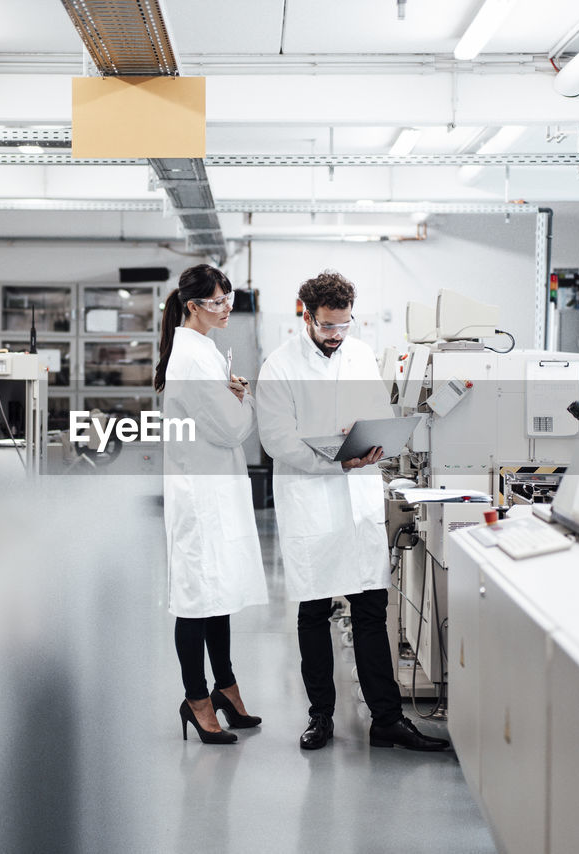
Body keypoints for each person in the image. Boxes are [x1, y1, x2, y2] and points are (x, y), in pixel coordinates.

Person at [257, 270, 449, 753]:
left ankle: (386, 719)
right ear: (306, 314)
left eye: (344, 325)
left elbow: (376, 416)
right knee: (315, 610)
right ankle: (320, 716)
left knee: (370, 609)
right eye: (327, 326)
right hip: (311, 500)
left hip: (359, 495)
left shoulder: (361, 354)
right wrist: (336, 457)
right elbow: (276, 440)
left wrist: (377, 442)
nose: (336, 335)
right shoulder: (279, 367)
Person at [156, 264, 268, 745]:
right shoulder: (192, 358)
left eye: (230, 299)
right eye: (218, 302)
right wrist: (245, 402)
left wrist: (234, 396)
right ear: (192, 306)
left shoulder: (205, 350)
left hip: (213, 488)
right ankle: (197, 699)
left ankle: (226, 689)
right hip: (199, 497)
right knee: (197, 598)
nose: (227, 309)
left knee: (215, 593)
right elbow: (232, 430)